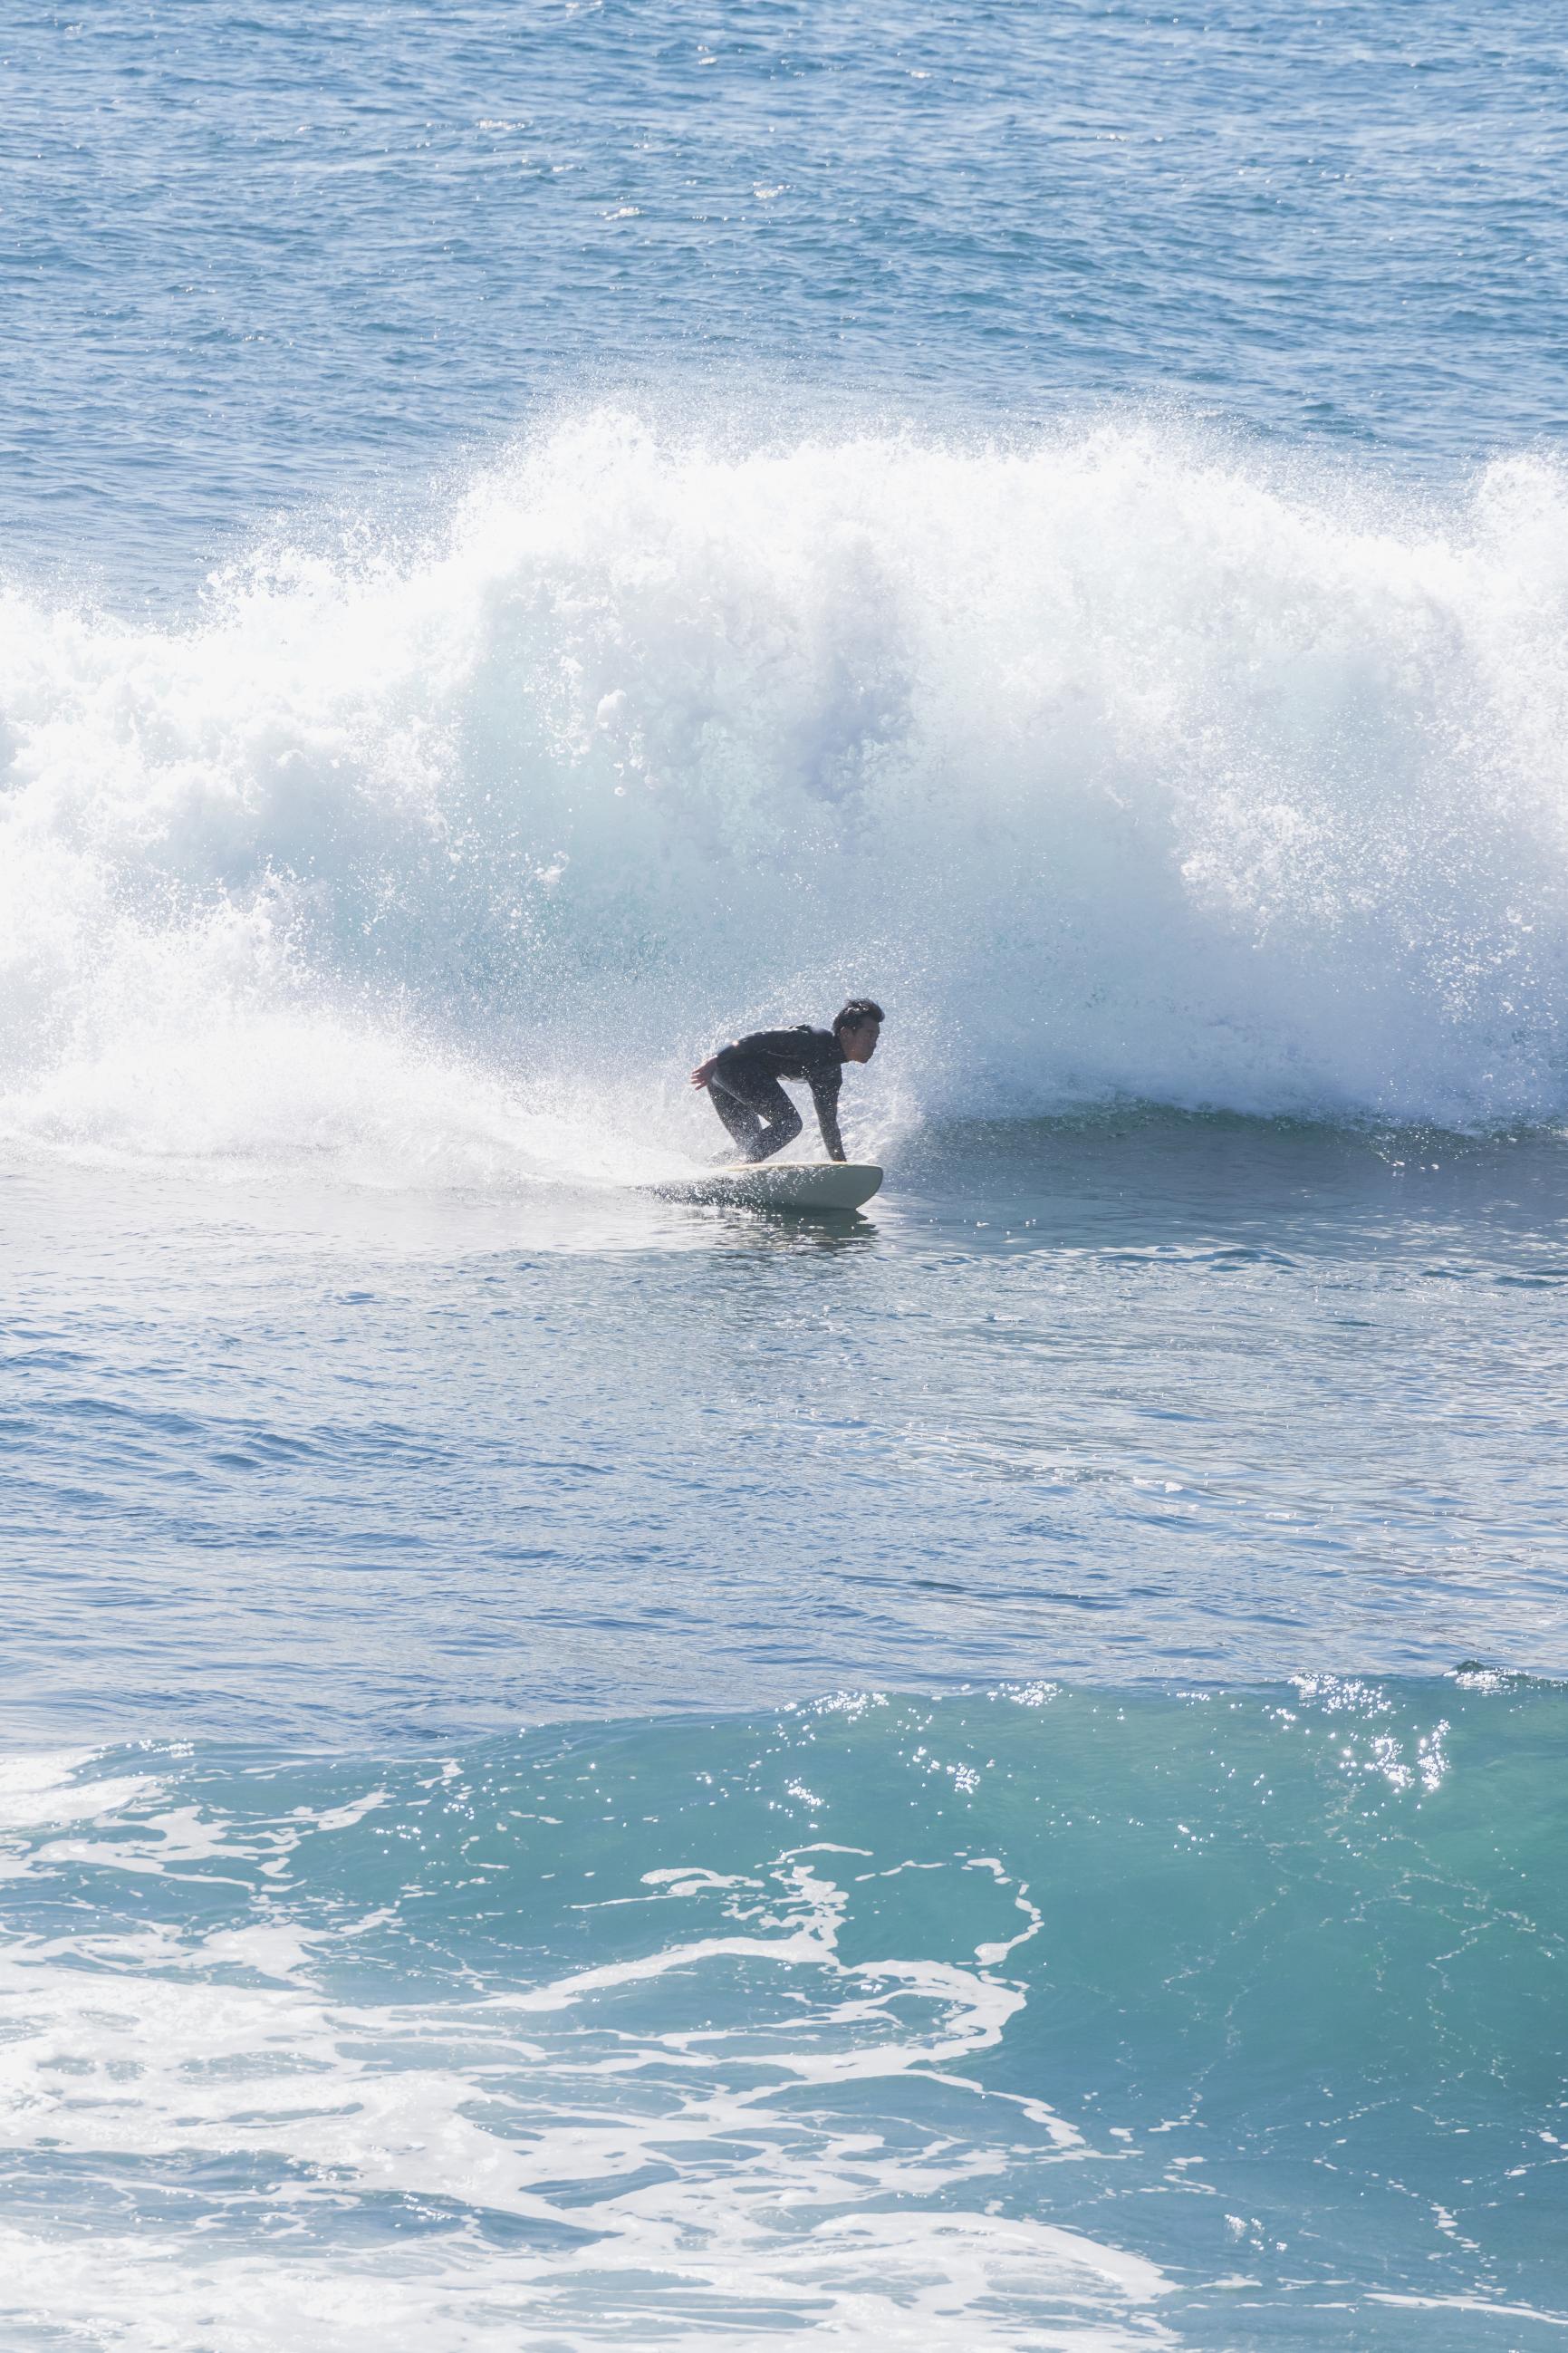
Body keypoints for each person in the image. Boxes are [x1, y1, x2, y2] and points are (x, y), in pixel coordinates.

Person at [690, 1000, 883, 1164]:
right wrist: (714, 1060)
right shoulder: (812, 1039)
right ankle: (740, 1169)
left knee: (751, 1143)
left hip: (722, 1078)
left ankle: (709, 1171)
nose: (873, 1043)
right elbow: (755, 1039)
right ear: (847, 1034)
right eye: (869, 1035)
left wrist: (842, 1167)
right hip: (728, 1067)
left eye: (876, 1037)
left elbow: (828, 1125)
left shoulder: (830, 1076)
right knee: (789, 1123)